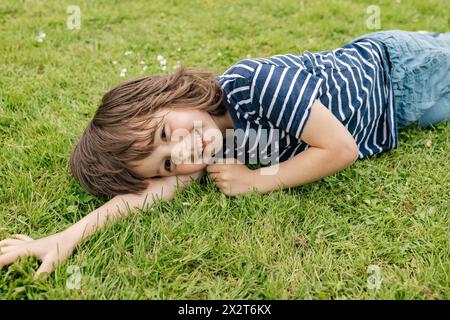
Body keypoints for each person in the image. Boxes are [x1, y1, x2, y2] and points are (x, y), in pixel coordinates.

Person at [1, 30, 449, 276]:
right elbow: (144, 196)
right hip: (398, 120)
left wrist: (258, 181)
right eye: (169, 162)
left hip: (401, 68)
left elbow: (340, 148)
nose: (181, 150)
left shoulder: (253, 85)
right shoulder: (214, 147)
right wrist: (63, 238)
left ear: (169, 94)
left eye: (163, 131)